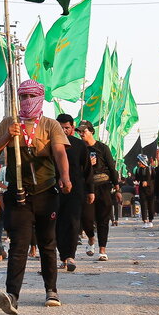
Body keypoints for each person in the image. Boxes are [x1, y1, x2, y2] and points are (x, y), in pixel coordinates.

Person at [0, 80, 71, 314]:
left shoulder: (50, 125)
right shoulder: (8, 123)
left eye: (31, 96)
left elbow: (60, 152)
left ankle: (51, 290)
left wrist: (65, 176)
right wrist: (6, 138)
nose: (26, 101)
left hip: (45, 192)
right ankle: (12, 295)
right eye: (22, 97)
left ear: (40, 97)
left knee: (47, 243)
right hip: (18, 195)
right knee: (19, 245)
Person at [54, 114, 93, 273]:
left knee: (73, 222)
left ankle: (70, 256)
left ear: (72, 127)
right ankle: (62, 256)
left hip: (76, 190)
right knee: (56, 224)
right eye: (60, 127)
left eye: (67, 128)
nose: (63, 130)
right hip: (54, 190)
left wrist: (90, 190)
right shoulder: (50, 144)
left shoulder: (79, 145)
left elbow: (87, 170)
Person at [79, 120, 117, 261]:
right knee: (86, 218)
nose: (81, 134)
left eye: (84, 131)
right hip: (86, 187)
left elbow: (112, 168)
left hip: (103, 186)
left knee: (103, 218)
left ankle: (102, 250)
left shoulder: (103, 148)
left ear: (91, 131)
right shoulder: (79, 149)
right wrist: (86, 164)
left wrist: (117, 187)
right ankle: (91, 238)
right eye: (80, 131)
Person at [134, 156, 155, 227]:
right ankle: (145, 221)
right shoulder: (138, 170)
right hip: (142, 190)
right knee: (143, 205)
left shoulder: (151, 169)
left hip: (150, 190)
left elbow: (155, 179)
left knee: (151, 205)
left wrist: (147, 183)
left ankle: (150, 220)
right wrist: (136, 181)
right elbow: (136, 178)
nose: (138, 163)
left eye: (139, 161)